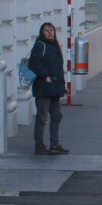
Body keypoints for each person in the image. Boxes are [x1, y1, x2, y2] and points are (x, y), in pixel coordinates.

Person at [28, 21, 68, 155]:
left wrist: (63, 86)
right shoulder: (40, 45)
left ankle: (54, 144)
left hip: (55, 88)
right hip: (44, 87)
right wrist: (45, 76)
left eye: (52, 30)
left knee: (57, 116)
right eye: (46, 30)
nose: (50, 32)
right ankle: (39, 144)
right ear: (42, 33)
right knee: (42, 117)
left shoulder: (55, 46)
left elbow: (58, 69)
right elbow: (34, 64)